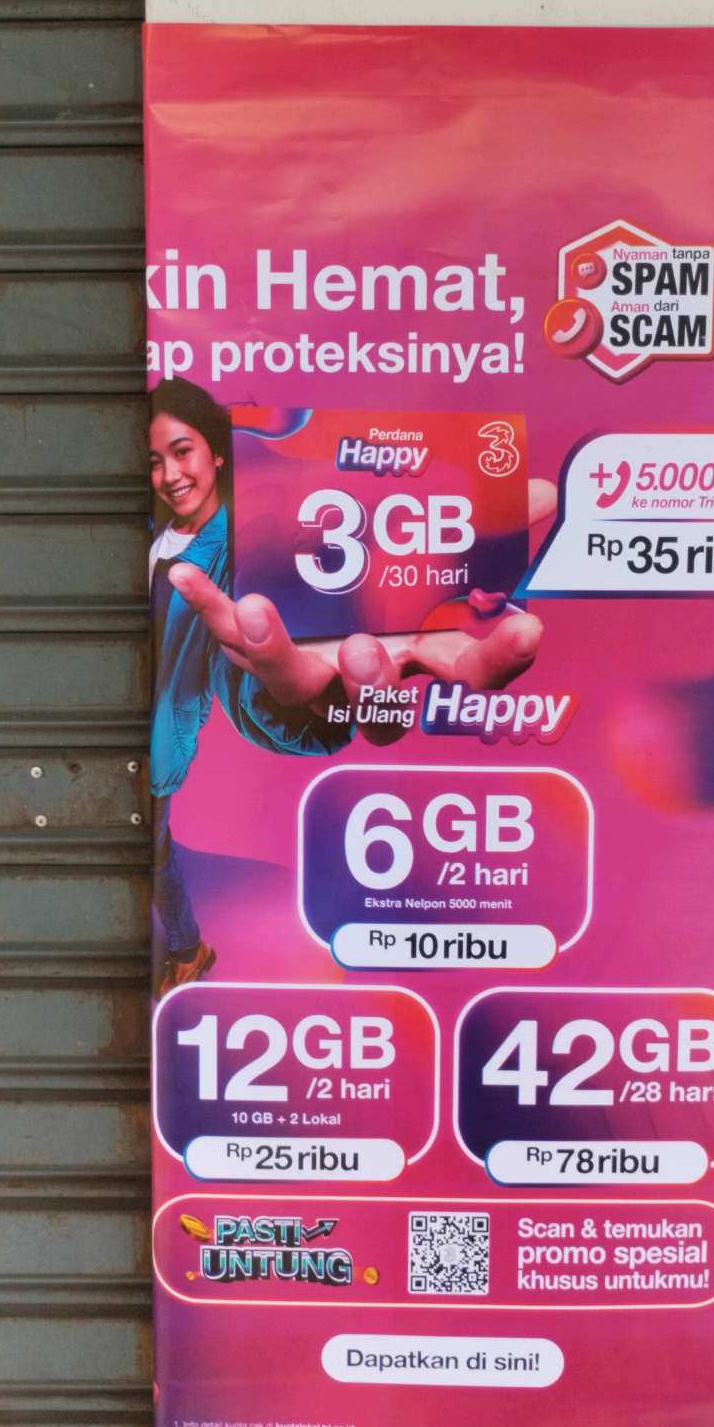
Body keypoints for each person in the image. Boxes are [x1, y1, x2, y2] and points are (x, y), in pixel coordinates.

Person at [148, 383, 549, 992]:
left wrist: (316, 707)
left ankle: (186, 949)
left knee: (152, 849)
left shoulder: (245, 537)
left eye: (183, 452)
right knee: (152, 850)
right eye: (156, 461)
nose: (171, 474)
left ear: (217, 453)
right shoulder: (159, 533)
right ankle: (187, 947)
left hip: (155, 752)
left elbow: (258, 674)